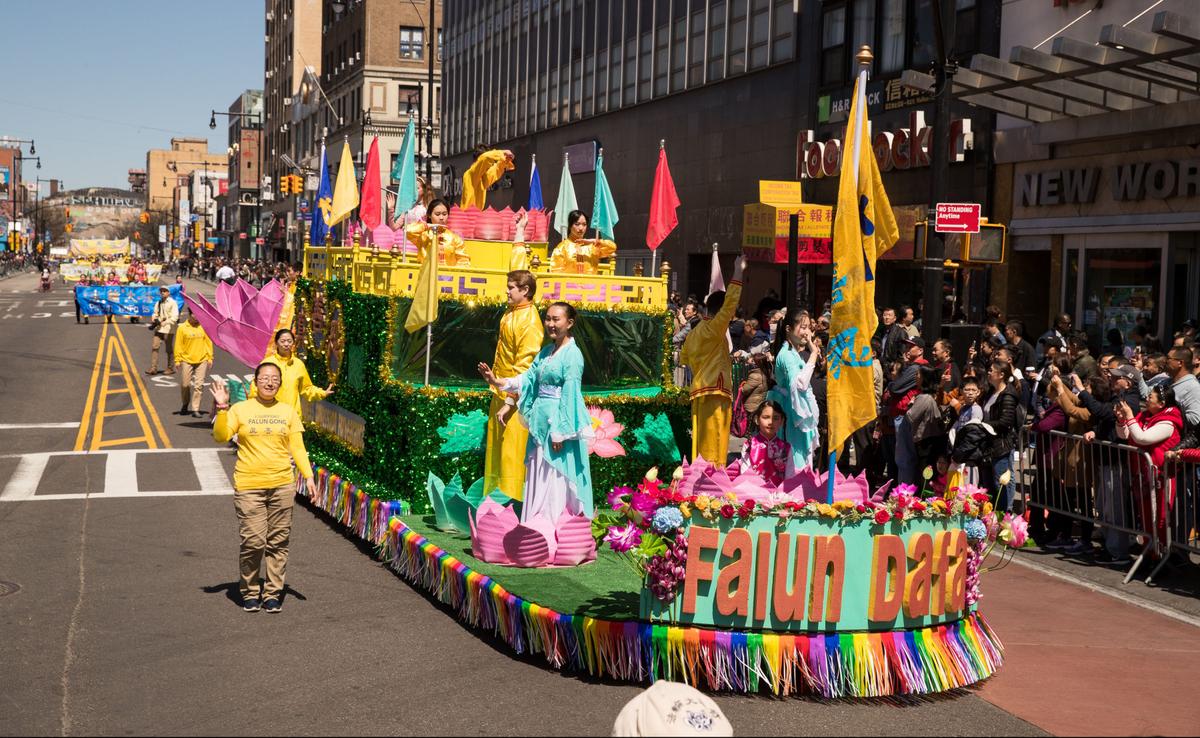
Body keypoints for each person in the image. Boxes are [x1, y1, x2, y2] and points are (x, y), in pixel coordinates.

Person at [210, 363, 317, 613]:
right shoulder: (240, 409)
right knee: (254, 542)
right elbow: (221, 436)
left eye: (275, 379)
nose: (270, 382)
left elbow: (297, 448)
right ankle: (249, 590)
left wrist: (308, 476)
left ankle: (272, 593)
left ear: (280, 384)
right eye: (265, 378)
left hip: (282, 484)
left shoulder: (287, 411)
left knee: (278, 542)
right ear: (255, 382)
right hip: (250, 485)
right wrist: (222, 407)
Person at [477, 302, 594, 522]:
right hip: (540, 423)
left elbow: (570, 393)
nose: (550, 324)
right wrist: (497, 381)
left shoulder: (572, 355)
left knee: (555, 475)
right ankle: (534, 523)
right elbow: (527, 379)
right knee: (539, 470)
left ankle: (554, 524)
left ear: (569, 323)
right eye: (547, 318)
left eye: (556, 319)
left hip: (558, 427)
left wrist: (561, 430)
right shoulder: (547, 352)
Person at [483, 269, 545, 501]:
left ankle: (511, 510)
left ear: (525, 290)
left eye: (511, 287)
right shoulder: (511, 314)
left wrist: (510, 401)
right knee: (496, 453)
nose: (506, 291)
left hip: (517, 401)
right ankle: (491, 508)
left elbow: (525, 368)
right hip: (501, 393)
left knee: (512, 457)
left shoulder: (529, 320)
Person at [680, 256, 745, 466]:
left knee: (700, 444)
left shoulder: (693, 333)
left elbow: (684, 360)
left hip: (700, 390)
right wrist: (738, 271)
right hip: (715, 391)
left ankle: (702, 484)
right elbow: (731, 303)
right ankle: (712, 487)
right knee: (716, 445)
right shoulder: (714, 328)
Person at [1116, 384, 1182, 563]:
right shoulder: (1144, 415)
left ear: (1161, 403)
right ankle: (1149, 552)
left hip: (1161, 477)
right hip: (1144, 477)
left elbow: (1142, 438)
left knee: (1160, 517)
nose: (1147, 398)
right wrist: (1122, 420)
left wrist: (1130, 417)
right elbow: (1126, 434)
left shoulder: (1168, 421)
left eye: (1151, 396)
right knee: (1145, 516)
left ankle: (1160, 557)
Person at [766, 307, 821, 475]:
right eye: (802, 327)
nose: (807, 332)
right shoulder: (787, 355)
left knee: (800, 459)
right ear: (788, 329)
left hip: (795, 413)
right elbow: (800, 384)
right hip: (792, 414)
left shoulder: (793, 352)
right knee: (795, 462)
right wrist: (813, 354)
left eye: (808, 327)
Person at [255, 329, 334, 412]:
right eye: (283, 341)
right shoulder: (267, 363)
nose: (286, 344)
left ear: (293, 343)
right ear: (276, 343)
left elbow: (306, 388)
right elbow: (256, 388)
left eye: (289, 341)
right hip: (270, 415)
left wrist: (322, 393)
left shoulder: (298, 365)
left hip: (292, 415)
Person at [982, 359, 1022, 512]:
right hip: (987, 444)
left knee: (1001, 483)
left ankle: (1003, 514)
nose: (989, 372)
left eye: (992, 370)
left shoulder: (1008, 395)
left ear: (1001, 374)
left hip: (1000, 446)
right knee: (988, 484)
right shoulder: (990, 392)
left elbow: (1005, 422)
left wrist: (983, 426)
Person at [727, 400, 790, 487]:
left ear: (781, 421)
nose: (771, 422)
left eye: (775, 418)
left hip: (779, 495)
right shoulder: (749, 445)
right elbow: (745, 473)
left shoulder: (786, 448)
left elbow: (790, 477)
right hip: (753, 492)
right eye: (766, 417)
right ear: (757, 420)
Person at [406, 198, 471, 267]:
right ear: (429, 215)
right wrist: (426, 226)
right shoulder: (423, 235)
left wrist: (452, 273)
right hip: (426, 275)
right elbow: (408, 231)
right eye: (437, 214)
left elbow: (464, 261)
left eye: (444, 214)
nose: (441, 217)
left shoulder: (455, 238)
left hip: (448, 276)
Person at [549, 210, 617, 274]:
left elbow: (612, 248)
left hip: (591, 284)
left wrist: (595, 241)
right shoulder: (562, 247)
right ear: (570, 226)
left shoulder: (592, 247)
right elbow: (556, 271)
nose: (581, 228)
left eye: (584, 224)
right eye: (577, 224)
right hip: (568, 285)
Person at [174, 310, 214, 418]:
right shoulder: (182, 328)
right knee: (185, 384)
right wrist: (177, 360)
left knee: (199, 385)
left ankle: (195, 409)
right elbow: (178, 344)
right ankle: (185, 403)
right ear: (189, 314)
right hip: (187, 359)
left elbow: (208, 343)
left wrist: (210, 358)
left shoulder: (203, 327)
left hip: (202, 359)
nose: (196, 317)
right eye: (194, 314)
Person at [146, 286, 180, 376]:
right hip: (159, 328)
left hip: (169, 329)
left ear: (168, 293)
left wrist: (166, 322)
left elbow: (175, 317)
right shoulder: (159, 302)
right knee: (155, 347)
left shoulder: (173, 303)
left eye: (164, 291)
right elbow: (155, 312)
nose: (162, 292)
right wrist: (154, 317)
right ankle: (153, 368)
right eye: (161, 291)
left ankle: (170, 367)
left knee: (168, 349)